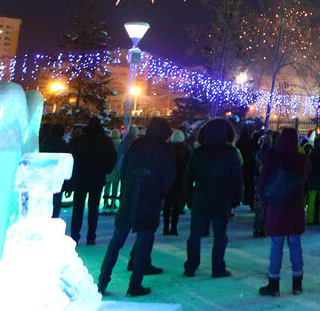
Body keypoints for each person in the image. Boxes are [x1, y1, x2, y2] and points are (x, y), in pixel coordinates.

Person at [97, 118, 175, 298]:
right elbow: (169, 177)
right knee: (143, 244)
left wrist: (128, 187)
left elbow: (124, 169)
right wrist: (160, 193)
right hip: (150, 198)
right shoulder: (166, 149)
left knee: (116, 241)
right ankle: (135, 285)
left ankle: (102, 282)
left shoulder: (137, 145)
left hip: (130, 197)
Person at [180, 117, 241, 278]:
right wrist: (235, 199)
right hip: (222, 199)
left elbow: (188, 176)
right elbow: (237, 178)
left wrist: (189, 198)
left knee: (195, 235)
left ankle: (191, 266)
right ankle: (217, 266)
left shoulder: (199, 152)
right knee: (220, 236)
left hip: (200, 198)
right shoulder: (231, 153)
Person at [257, 127, 312, 297]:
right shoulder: (302, 159)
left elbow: (262, 183)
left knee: (276, 245)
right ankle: (297, 283)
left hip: (277, 208)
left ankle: (274, 283)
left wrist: (265, 202)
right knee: (295, 245)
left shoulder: (273, 159)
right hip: (295, 208)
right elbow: (309, 171)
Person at [68, 117, 117, 244]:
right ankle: (91, 236)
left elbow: (70, 156)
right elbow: (113, 156)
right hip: (97, 177)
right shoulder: (105, 141)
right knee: (93, 209)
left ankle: (74, 235)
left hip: (81, 177)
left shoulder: (78, 141)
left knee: (78, 208)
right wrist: (106, 169)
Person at [162, 130, 191, 236]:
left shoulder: (167, 149)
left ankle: (165, 227)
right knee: (176, 205)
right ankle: (174, 227)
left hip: (168, 179)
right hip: (180, 180)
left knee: (167, 205)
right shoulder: (186, 149)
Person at [39, 123, 68, 218]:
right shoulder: (65, 147)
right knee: (56, 203)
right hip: (57, 180)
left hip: (42, 178)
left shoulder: (42, 144)